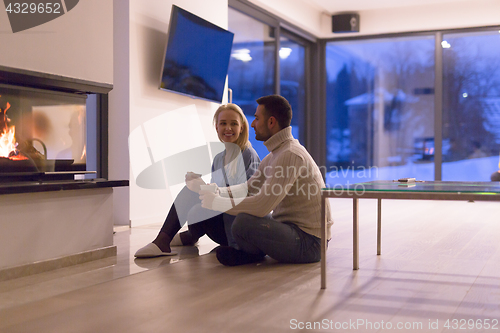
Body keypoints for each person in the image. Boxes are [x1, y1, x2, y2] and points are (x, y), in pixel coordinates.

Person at [198, 95, 334, 266]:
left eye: (256, 118)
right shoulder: (275, 155)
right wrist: (218, 192)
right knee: (241, 218)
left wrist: (218, 203)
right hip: (291, 230)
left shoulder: (289, 154)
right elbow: (249, 188)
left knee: (243, 221)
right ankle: (251, 255)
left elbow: (262, 206)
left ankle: (250, 255)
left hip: (311, 243)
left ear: (271, 122)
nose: (252, 124)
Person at [135, 103, 260, 257]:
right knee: (193, 197)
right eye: (223, 124)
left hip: (238, 231)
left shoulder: (249, 155)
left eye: (234, 124)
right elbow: (217, 197)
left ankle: (169, 239)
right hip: (223, 224)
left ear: (242, 128)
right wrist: (201, 187)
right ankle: (175, 238)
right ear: (216, 128)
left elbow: (250, 195)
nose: (228, 128)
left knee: (194, 202)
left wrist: (205, 190)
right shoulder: (219, 159)